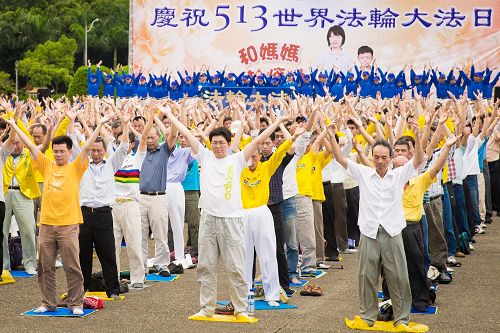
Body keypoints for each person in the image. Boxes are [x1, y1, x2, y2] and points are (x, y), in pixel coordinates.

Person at [158, 103, 290, 321]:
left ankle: (240, 309)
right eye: (215, 143)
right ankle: (206, 308)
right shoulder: (205, 156)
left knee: (237, 267)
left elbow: (257, 140)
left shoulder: (237, 159)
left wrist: (276, 122)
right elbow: (186, 133)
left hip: (232, 220)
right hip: (208, 219)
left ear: (229, 145)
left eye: (222, 143)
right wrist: (171, 115)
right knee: (206, 266)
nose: (218, 146)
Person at [5, 114, 111, 315]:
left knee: (72, 266)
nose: (59, 154)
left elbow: (87, 146)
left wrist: (100, 124)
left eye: (62, 151)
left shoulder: (76, 167)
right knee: (45, 267)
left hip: (69, 224)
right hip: (46, 224)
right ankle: (48, 302)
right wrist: (14, 125)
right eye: (56, 151)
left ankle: (76, 303)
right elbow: (29, 144)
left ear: (69, 152)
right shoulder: (46, 165)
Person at [329, 117, 424, 329]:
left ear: (391, 157)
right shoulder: (364, 173)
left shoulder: (399, 175)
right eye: (376, 157)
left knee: (399, 277)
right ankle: (368, 316)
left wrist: (417, 135)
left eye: (384, 157)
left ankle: (402, 319)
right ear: (372, 157)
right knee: (366, 276)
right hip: (370, 232)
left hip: (392, 232)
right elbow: (339, 158)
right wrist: (331, 134)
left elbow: (418, 159)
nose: (380, 161)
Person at [112, 106, 155, 289]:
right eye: (117, 139)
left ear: (131, 144)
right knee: (111, 245)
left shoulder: (137, 158)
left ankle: (138, 278)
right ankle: (112, 278)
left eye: (124, 140)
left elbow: (144, 138)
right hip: (113, 205)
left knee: (134, 243)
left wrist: (151, 117)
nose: (120, 142)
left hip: (131, 205)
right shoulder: (111, 158)